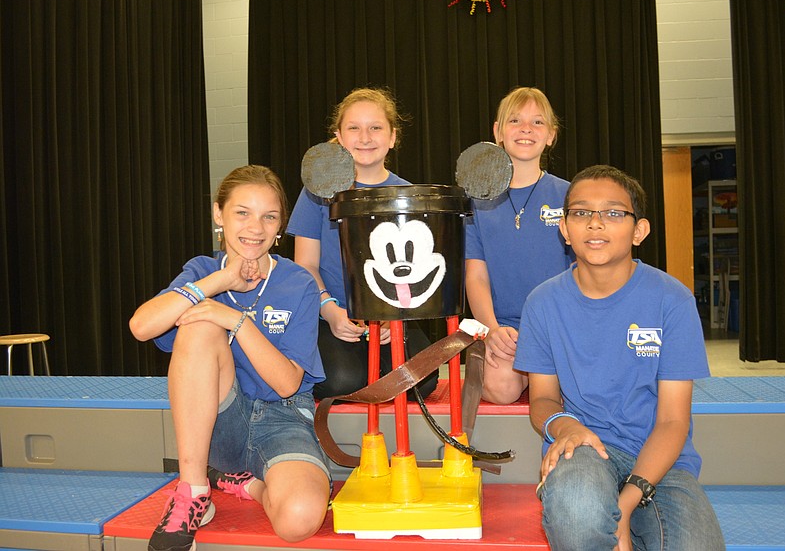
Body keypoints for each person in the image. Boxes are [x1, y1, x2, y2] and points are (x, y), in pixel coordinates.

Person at [514, 165, 725, 550]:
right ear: (564, 228)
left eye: (613, 213)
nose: (595, 224)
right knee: (577, 513)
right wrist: (565, 427)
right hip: (584, 449)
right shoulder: (542, 302)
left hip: (661, 463)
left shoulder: (671, 300)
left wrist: (624, 507)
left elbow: (673, 421)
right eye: (581, 212)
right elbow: (542, 399)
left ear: (639, 230)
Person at [129, 165, 331, 551]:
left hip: (283, 417)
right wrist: (218, 284)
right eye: (242, 212)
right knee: (200, 325)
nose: (256, 227)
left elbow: (287, 383)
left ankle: (245, 483)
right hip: (220, 423)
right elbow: (142, 326)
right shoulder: (203, 271)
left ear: (280, 226)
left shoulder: (298, 282)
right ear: (218, 214)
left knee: (299, 520)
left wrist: (236, 319)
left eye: (269, 216)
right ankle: (193, 492)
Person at [286, 86, 437, 400]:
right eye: (354, 128)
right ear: (339, 136)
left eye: (375, 128)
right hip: (333, 315)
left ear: (393, 137)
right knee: (341, 381)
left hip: (392, 318)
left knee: (422, 383)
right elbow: (306, 266)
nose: (365, 137)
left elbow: (418, 274)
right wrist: (330, 312)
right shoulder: (318, 189)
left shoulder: (409, 195)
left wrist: (393, 317)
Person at [464, 86, 572, 405]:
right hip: (503, 329)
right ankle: (518, 372)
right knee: (501, 389)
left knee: (583, 391)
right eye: (515, 120)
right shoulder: (475, 201)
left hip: (558, 328)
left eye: (538, 122)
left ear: (551, 134)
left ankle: (538, 373)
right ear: (498, 132)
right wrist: (492, 330)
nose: (526, 129)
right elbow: (476, 277)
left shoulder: (572, 196)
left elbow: (584, 274)